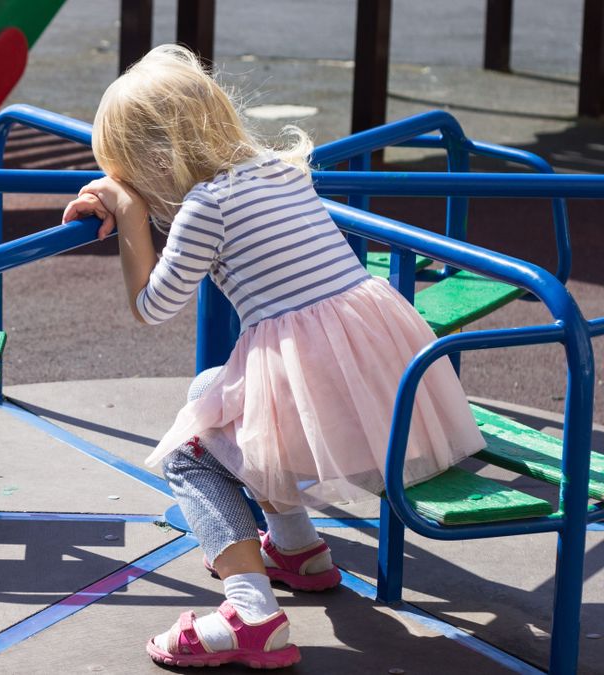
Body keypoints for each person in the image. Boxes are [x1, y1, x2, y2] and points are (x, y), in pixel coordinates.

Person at [61, 45, 486, 669]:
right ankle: (296, 548)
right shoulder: (279, 168)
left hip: (322, 383)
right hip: (384, 371)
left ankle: (249, 612)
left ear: (152, 162)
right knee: (211, 390)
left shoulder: (205, 208)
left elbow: (152, 306)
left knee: (187, 456)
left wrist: (129, 214)